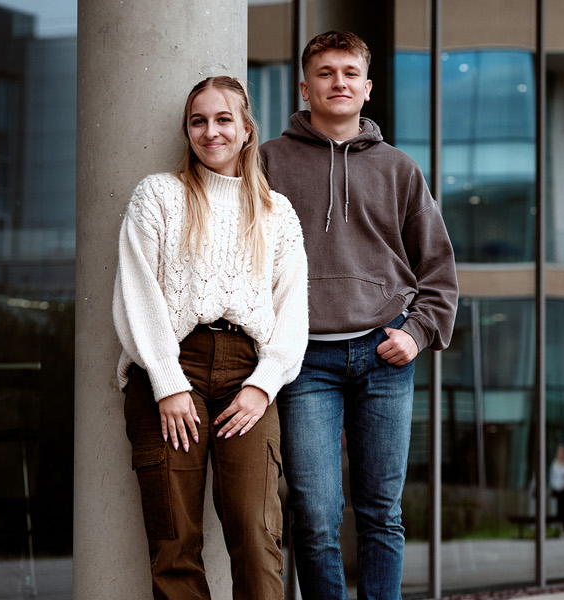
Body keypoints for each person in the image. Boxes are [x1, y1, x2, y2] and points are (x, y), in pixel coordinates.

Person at [259, 30, 458, 599]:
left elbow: (438, 272)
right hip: (302, 362)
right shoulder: (269, 162)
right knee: (316, 517)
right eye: (325, 73)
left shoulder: (399, 170)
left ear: (367, 88)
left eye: (349, 73)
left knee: (381, 513)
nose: (338, 82)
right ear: (305, 86)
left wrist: (417, 335)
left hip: (383, 356)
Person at [113, 75, 309, 600]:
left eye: (224, 119)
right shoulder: (158, 195)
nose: (211, 131)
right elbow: (138, 292)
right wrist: (167, 381)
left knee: (256, 532)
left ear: (247, 129)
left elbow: (293, 313)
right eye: (198, 120)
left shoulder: (277, 213)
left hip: (249, 376)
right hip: (172, 371)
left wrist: (264, 384)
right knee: (174, 543)